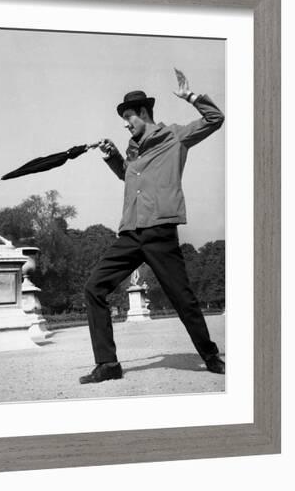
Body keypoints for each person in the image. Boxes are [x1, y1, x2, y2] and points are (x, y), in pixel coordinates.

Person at [80, 68, 225, 384]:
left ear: (144, 113)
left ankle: (211, 355)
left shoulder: (174, 136)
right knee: (94, 287)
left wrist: (192, 97)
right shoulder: (132, 149)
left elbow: (215, 120)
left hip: (160, 232)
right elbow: (129, 178)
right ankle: (107, 364)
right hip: (130, 233)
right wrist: (114, 158)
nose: (126, 123)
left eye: (129, 116)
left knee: (182, 299)